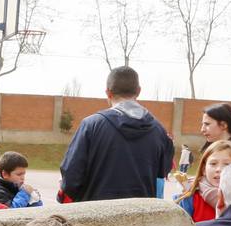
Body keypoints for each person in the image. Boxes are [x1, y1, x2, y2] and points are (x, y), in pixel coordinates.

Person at [58, 67, 173, 202]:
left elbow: (71, 179)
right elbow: (162, 174)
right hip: (141, 217)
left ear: (108, 92)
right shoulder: (159, 131)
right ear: (138, 91)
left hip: (96, 216)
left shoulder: (91, 126)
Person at [177, 140, 231, 222]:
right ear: (204, 169)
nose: (219, 169)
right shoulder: (189, 199)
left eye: (227, 164)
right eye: (213, 164)